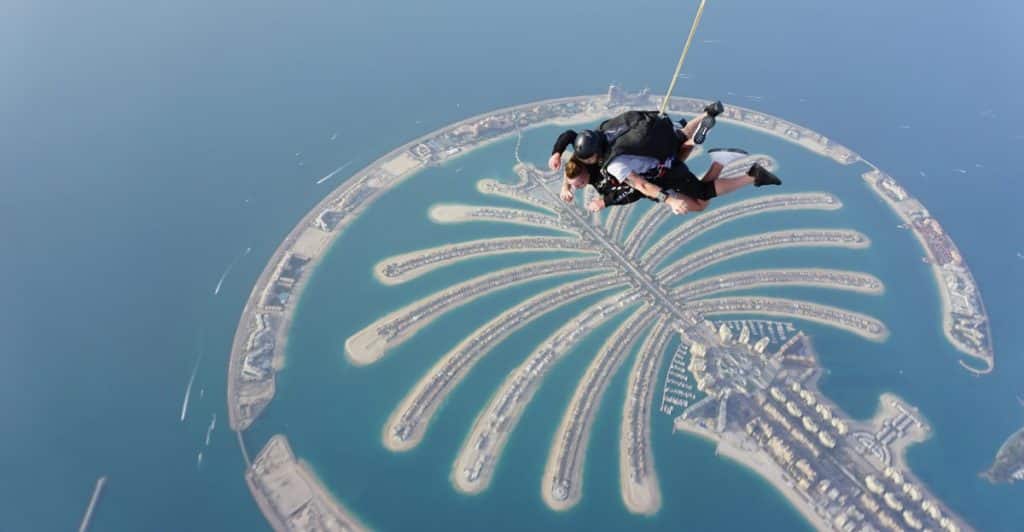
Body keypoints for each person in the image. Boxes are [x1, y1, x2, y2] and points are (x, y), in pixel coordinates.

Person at [554, 103, 781, 214]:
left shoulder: (613, 164)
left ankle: (750, 175)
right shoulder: (603, 131)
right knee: (680, 137)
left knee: (701, 197)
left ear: (591, 157)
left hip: (660, 170)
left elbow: (641, 186)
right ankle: (707, 114)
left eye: (578, 184)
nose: (579, 186)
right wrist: (562, 175)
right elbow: (570, 142)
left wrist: (670, 201)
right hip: (658, 139)